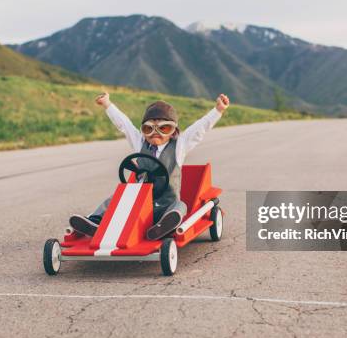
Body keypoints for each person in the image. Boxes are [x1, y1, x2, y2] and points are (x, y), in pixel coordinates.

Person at [69, 92, 230, 240]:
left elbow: (199, 129)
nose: (155, 133)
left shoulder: (179, 146)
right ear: (143, 131)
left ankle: (163, 226)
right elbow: (123, 124)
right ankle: (94, 223)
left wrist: (218, 110)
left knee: (180, 206)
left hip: (165, 203)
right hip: (139, 202)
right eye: (148, 129)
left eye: (163, 128)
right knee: (114, 200)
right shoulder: (140, 144)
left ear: (173, 131)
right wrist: (107, 104)